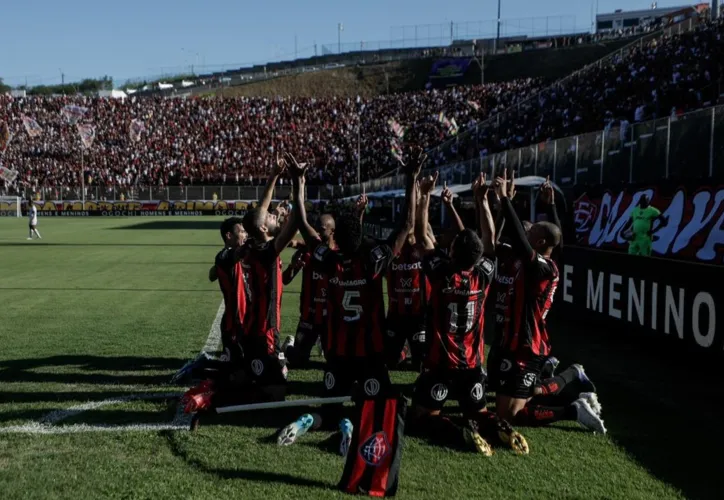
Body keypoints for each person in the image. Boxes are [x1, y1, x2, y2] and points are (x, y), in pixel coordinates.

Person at [276, 149, 423, 456]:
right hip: (370, 354)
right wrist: (412, 178)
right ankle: (350, 426)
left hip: (337, 354)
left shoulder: (328, 261)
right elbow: (408, 224)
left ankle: (310, 420)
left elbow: (303, 222)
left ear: (337, 240)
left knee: (328, 408)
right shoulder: (374, 260)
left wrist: (298, 182)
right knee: (379, 408)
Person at [407, 171, 528, 456]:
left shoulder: (440, 273)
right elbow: (490, 239)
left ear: (451, 251)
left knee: (422, 418)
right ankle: (499, 427)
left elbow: (423, 237)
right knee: (478, 412)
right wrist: (482, 200)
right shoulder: (484, 274)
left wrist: (425, 196)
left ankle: (462, 433)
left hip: (440, 365)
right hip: (472, 365)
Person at [493, 171, 606, 434]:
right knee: (531, 393)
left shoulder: (541, 268)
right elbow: (558, 240)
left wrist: (505, 200)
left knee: (510, 415)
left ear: (540, 243)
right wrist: (551, 205)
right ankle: (572, 374)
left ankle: (573, 410)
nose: (526, 233)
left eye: (532, 233)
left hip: (526, 344)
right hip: (526, 341)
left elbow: (524, 242)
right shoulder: (548, 261)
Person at [281, 212, 337, 367]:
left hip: (331, 319)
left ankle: (323, 342)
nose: (317, 233)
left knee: (334, 362)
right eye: (315, 229)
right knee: (298, 361)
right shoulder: (307, 251)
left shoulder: (339, 253)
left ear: (332, 231)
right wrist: (293, 266)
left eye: (321, 229)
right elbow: (285, 280)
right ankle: (291, 345)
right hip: (308, 317)